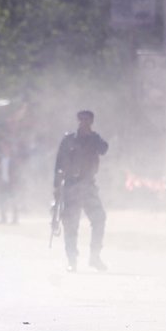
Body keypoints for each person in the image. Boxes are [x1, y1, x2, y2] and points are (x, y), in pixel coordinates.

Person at [53, 110, 109, 273]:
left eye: (87, 120)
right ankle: (72, 259)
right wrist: (56, 187)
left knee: (99, 218)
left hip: (88, 186)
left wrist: (93, 136)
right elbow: (59, 164)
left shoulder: (94, 139)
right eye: (81, 119)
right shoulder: (69, 140)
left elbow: (104, 149)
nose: (84, 122)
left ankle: (94, 256)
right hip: (71, 186)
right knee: (71, 224)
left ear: (91, 122)